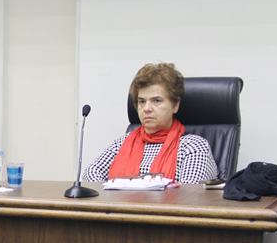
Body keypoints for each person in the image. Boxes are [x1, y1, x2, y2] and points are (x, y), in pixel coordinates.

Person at [83, 62, 218, 183]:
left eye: (156, 101)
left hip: (166, 210)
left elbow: (188, 193)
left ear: (175, 105)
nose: (146, 108)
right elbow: (91, 174)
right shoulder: (123, 142)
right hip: (119, 209)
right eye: (141, 101)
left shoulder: (193, 146)